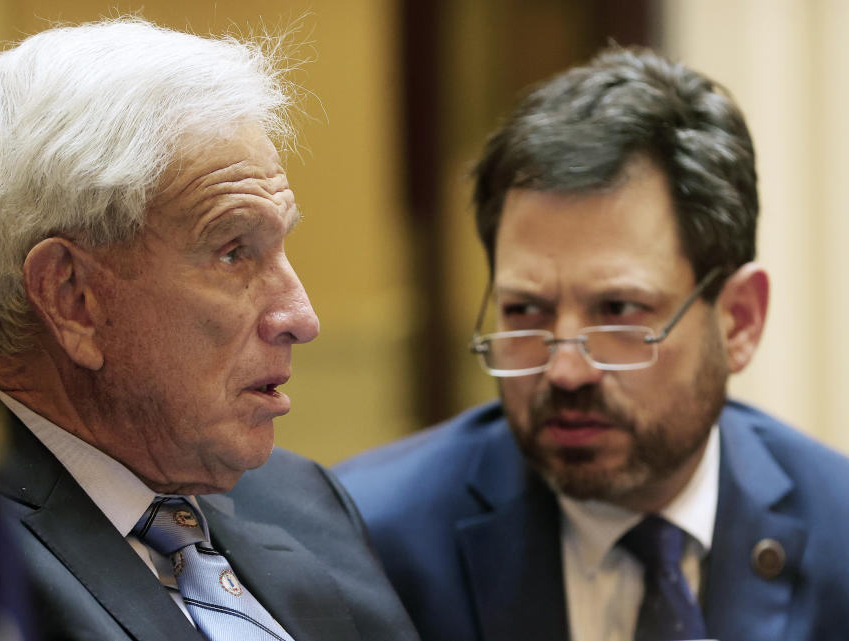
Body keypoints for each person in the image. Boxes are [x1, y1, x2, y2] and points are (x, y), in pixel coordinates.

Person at [0, 18, 418, 641]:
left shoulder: (301, 502)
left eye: (282, 247)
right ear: (73, 299)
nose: (301, 319)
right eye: (234, 252)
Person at [336, 46, 849, 641]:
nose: (566, 371)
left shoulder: (838, 534)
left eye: (619, 312)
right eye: (526, 311)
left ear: (738, 321)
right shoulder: (370, 544)